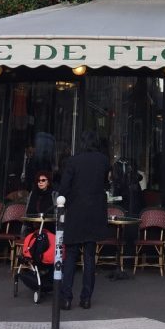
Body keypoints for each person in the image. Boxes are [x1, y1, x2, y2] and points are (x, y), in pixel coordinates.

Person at [60, 130, 109, 310]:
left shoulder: (73, 161)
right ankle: (86, 298)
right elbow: (105, 184)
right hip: (95, 213)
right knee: (89, 257)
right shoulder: (103, 160)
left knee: (71, 256)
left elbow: (64, 189)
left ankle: (66, 298)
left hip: (76, 213)